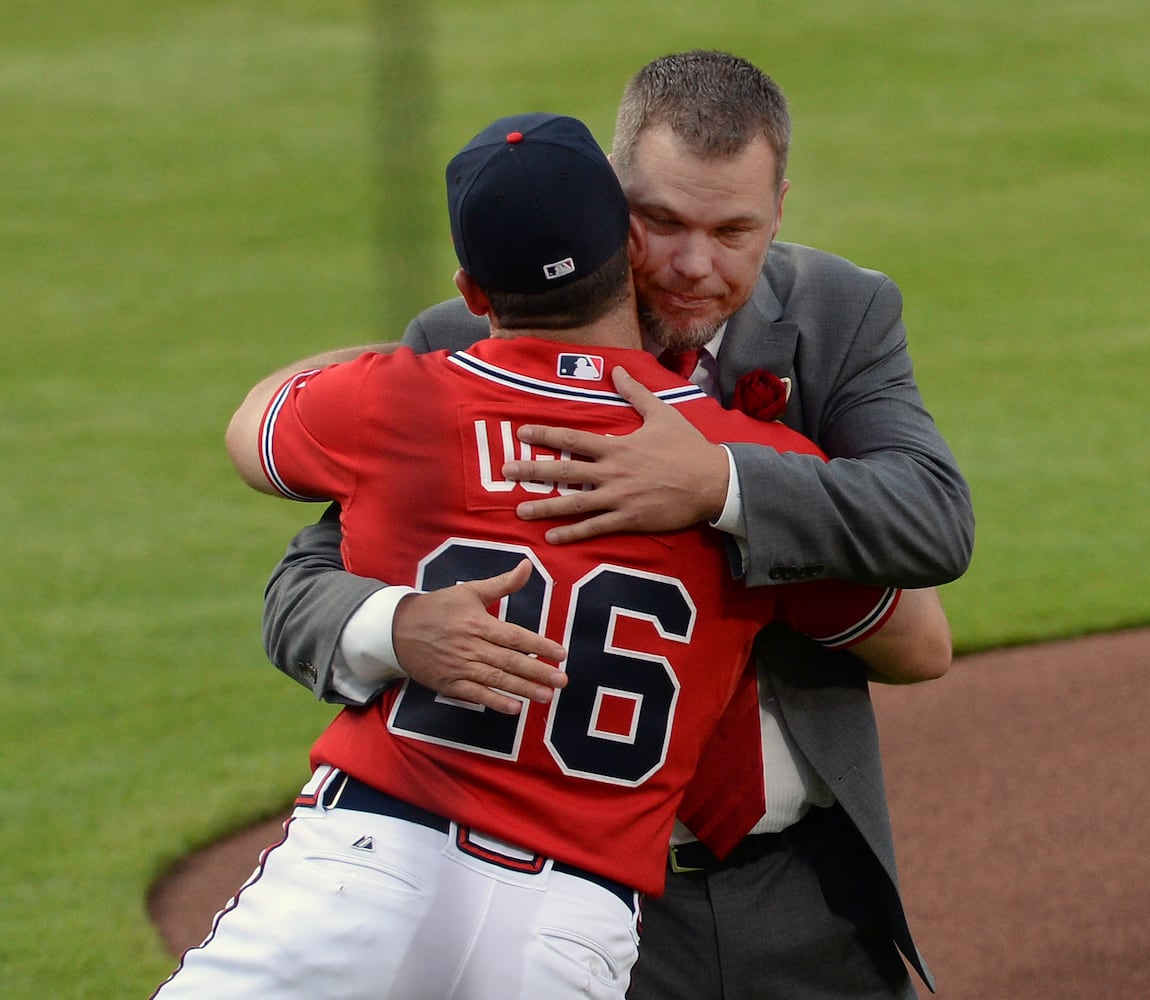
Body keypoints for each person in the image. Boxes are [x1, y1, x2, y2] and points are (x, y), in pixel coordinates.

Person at [154, 112, 951, 1000]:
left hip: (365, 863)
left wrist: (422, 373)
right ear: (628, 246)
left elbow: (253, 427)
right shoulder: (743, 456)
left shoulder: (399, 403)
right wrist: (730, 503)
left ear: (474, 290)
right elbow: (920, 642)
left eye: (729, 231)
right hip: (573, 920)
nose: (693, 263)